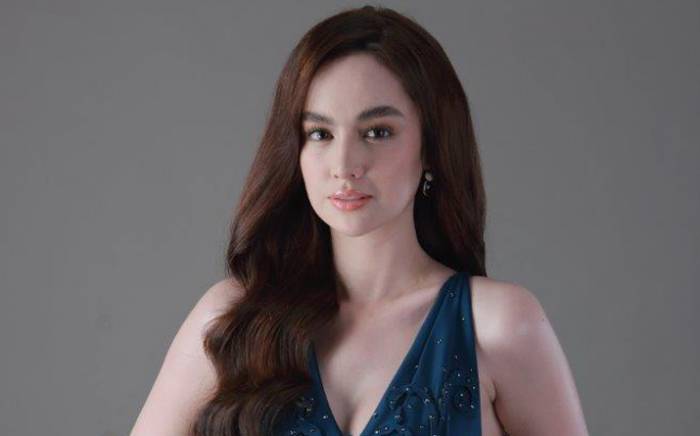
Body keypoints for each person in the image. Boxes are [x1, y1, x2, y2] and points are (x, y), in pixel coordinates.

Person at [130, 5, 589, 436]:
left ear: (432, 146)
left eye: (377, 132)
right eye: (320, 133)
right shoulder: (232, 320)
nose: (345, 164)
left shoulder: (498, 325)